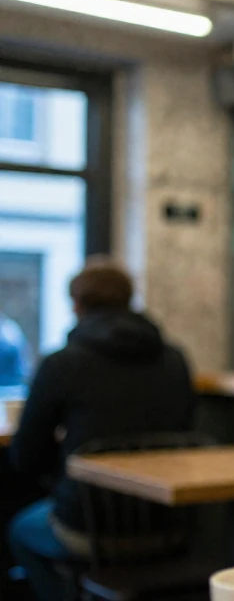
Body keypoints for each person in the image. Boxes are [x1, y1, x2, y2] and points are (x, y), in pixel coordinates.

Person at [7, 257, 197, 601]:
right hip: (170, 526)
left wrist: (69, 462)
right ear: (129, 301)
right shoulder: (174, 359)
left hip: (88, 530)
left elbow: (25, 456)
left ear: (77, 306)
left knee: (19, 530)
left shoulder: (62, 363)